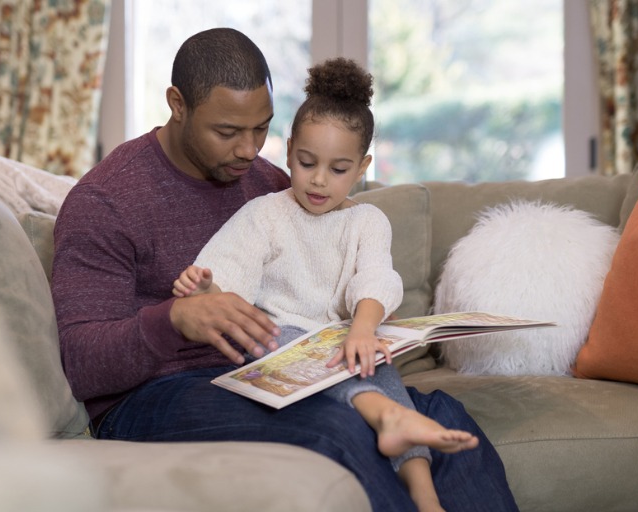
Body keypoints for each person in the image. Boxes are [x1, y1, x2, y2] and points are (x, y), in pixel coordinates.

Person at [52, 27, 518, 512]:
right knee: (337, 428)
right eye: (228, 132)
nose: (250, 150)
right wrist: (175, 319)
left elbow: (338, 263)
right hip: (155, 396)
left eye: (262, 128)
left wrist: (367, 322)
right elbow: (83, 365)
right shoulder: (105, 200)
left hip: (273, 370)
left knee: (445, 416)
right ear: (177, 104)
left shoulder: (267, 182)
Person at [171, 57, 475, 512]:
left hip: (339, 341)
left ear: (362, 167)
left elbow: (376, 278)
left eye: (338, 169)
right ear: (289, 149)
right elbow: (227, 278)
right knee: (284, 341)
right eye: (307, 162)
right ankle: (388, 416)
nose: (317, 180)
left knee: (375, 362)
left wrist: (364, 330)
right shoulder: (265, 214)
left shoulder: (368, 220)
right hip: (277, 342)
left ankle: (423, 490)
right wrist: (203, 289)